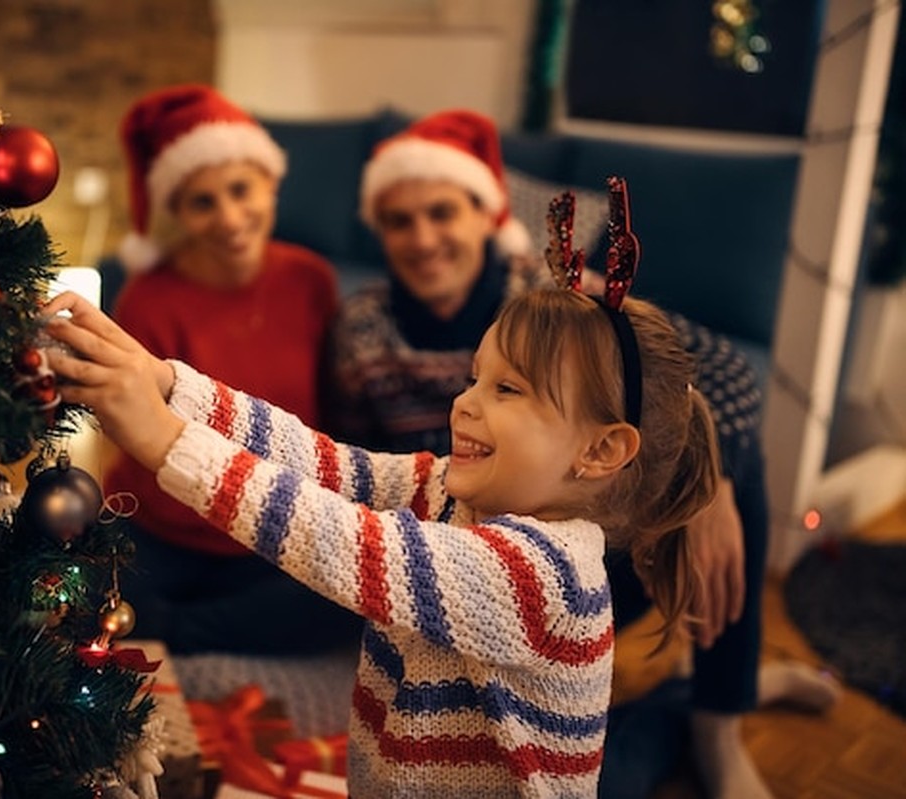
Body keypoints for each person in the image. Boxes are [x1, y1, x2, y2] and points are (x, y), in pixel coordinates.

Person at [40, 273, 721, 797]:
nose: (465, 402)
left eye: (508, 390)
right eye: (475, 378)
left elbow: (346, 540)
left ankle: (674, 722)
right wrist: (166, 383)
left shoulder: (546, 574)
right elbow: (329, 467)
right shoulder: (454, 491)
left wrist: (163, 440)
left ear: (600, 450)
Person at [325, 109, 839, 798]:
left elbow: (714, 369)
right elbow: (357, 462)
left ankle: (720, 721)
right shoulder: (362, 328)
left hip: (581, 557)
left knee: (728, 454)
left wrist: (710, 481)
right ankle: (687, 706)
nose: (421, 238)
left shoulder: (554, 303)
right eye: (398, 221)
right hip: (456, 559)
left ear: (485, 213)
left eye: (441, 212)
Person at [103, 83, 361, 655]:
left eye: (241, 190)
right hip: (163, 530)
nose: (229, 218)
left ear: (270, 183)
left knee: (348, 602)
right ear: (177, 214)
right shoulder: (147, 299)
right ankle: (194, 624)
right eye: (202, 203)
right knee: (87, 588)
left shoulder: (311, 280)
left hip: (271, 532)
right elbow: (138, 437)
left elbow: (332, 413)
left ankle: (174, 630)